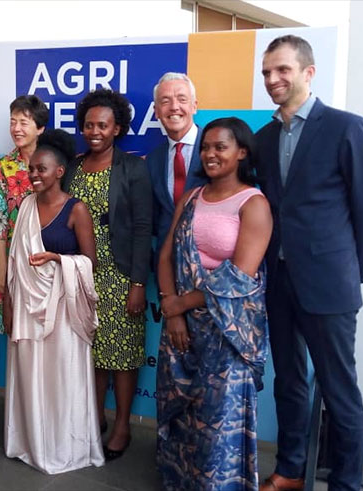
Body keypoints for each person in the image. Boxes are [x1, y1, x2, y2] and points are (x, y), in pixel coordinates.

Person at [255, 35, 363, 491]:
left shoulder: (347, 128)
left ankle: (347, 484)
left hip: (329, 285)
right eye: (267, 72)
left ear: (308, 73)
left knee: (338, 390)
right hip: (279, 281)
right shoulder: (264, 138)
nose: (273, 79)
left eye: (282, 70)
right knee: (288, 382)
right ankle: (290, 470)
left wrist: (350, 271)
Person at [156, 117, 273, 490]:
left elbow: (238, 276)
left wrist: (180, 305)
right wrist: (172, 310)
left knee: (219, 416)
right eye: (206, 147)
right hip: (182, 323)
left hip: (227, 332)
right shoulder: (192, 198)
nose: (209, 154)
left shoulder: (253, 203)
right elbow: (167, 255)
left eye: (220, 147)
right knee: (183, 411)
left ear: (241, 153)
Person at [3, 129, 104, 474]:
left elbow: (90, 263)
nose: (34, 174)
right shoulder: (25, 206)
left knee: (62, 378)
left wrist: (57, 259)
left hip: (63, 309)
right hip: (27, 308)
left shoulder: (77, 209)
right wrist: (8, 304)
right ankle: (31, 443)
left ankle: (64, 446)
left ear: (59, 172)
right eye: (31, 169)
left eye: (41, 169)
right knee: (31, 375)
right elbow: (15, 262)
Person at [62, 88, 152, 460]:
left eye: (103, 125)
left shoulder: (132, 168)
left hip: (119, 273)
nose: (95, 132)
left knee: (123, 354)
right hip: (80, 274)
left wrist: (137, 284)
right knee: (93, 351)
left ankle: (122, 426)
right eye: (89, 125)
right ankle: (95, 417)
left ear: (117, 128)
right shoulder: (73, 166)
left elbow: (143, 227)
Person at [0, 95, 48, 333]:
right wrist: (3, 272)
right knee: (17, 330)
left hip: (48, 260)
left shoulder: (55, 161)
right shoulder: (4, 166)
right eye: (13, 122)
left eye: (23, 122)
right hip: (15, 260)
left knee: (49, 330)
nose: (16, 129)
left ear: (40, 128)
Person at [146, 73, 207, 250]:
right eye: (165, 101)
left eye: (182, 99)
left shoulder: (215, 149)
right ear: (156, 111)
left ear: (194, 106)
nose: (174, 107)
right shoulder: (153, 160)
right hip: (166, 257)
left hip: (209, 259)